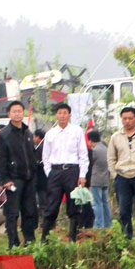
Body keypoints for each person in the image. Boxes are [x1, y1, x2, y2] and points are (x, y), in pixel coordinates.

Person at [41, 102, 89, 242]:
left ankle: (73, 238)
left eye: (65, 113)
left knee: (73, 205)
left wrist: (82, 175)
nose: (62, 116)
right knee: (52, 205)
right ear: (56, 115)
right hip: (55, 172)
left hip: (72, 171)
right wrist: (49, 173)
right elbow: (45, 156)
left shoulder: (76, 131)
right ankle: (45, 239)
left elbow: (83, 154)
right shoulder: (50, 133)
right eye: (59, 113)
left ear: (69, 115)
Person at [0, 101, 39, 248]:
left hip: (29, 178)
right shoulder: (4, 135)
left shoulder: (28, 132)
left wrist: (34, 172)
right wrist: (5, 179)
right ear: (9, 114)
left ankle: (29, 241)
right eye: (14, 111)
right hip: (14, 180)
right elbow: (1, 159)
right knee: (12, 213)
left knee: (29, 211)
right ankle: (13, 242)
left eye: (20, 111)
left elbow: (31, 155)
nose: (17, 114)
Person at [107, 106, 135, 240]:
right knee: (124, 211)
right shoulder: (115, 137)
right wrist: (115, 175)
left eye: (130, 118)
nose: (127, 121)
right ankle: (126, 238)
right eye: (125, 118)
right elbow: (111, 158)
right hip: (122, 176)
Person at [33, 129, 48, 211]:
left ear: (38, 137)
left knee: (43, 201)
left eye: (34, 137)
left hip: (41, 179)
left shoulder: (40, 148)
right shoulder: (43, 146)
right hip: (44, 179)